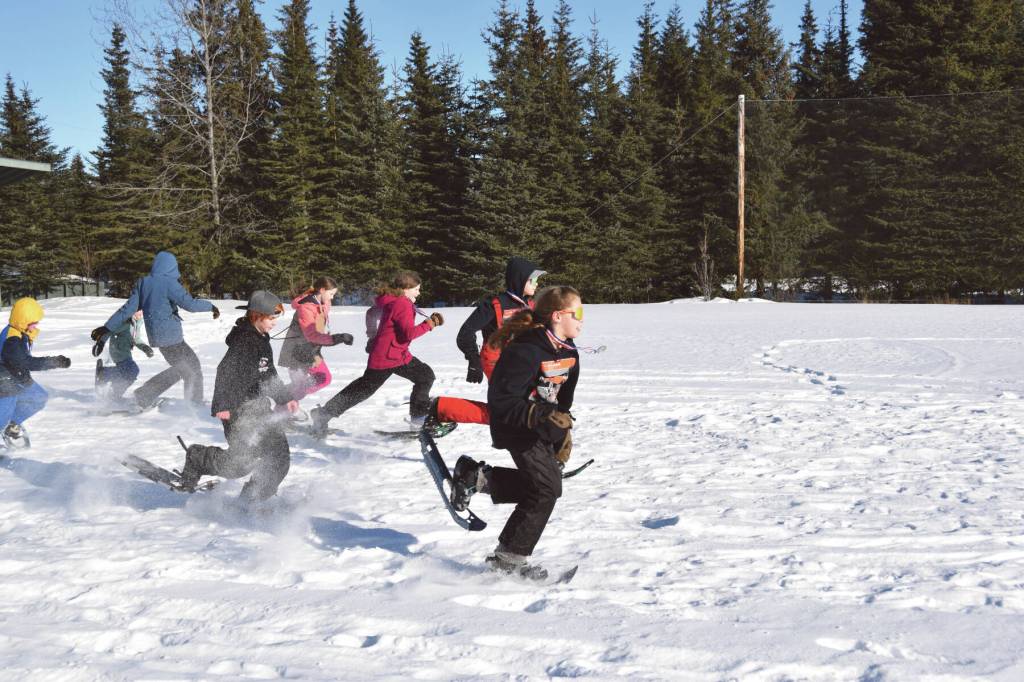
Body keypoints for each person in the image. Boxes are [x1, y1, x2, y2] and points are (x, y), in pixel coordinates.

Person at [450, 285, 583, 581]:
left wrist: (561, 433)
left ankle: (477, 477)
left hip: (539, 428)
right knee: (546, 489)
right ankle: (509, 559)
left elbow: (562, 403)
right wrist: (538, 414)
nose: (582, 320)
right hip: (515, 426)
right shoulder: (525, 350)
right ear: (558, 316)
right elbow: (502, 401)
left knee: (544, 487)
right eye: (579, 313)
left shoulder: (569, 353)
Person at [178, 291, 299, 505]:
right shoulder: (245, 342)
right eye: (271, 318)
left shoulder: (261, 340)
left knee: (279, 457)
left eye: (275, 318)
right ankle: (197, 458)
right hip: (239, 410)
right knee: (240, 463)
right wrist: (223, 405)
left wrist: (284, 398)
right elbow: (225, 371)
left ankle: (252, 499)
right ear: (256, 316)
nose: (274, 323)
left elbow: (268, 374)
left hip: (259, 408)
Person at [309, 271, 442, 438]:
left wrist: (373, 336)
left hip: (395, 353)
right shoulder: (402, 304)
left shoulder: (391, 300)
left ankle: (418, 418)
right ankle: (324, 414)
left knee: (424, 375)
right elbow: (408, 334)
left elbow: (371, 314)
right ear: (406, 289)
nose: (419, 293)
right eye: (416, 289)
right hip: (388, 357)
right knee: (363, 389)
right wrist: (429, 324)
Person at [91, 251, 218, 410]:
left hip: (158, 337)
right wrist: (211, 306)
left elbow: (127, 309)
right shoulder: (169, 283)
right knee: (191, 368)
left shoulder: (143, 283)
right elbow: (190, 305)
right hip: (172, 337)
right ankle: (189, 403)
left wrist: (106, 329)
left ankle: (148, 395)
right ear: (171, 267)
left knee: (183, 368)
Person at [429, 257, 546, 427]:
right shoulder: (494, 304)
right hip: (497, 362)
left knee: (524, 407)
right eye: (532, 279)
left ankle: (443, 407)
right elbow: (465, 333)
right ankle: (441, 409)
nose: (536, 284)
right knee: (509, 412)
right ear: (520, 280)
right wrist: (473, 360)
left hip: (520, 361)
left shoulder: (530, 305)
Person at [0, 297, 72, 447]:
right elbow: (26, 362)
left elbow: (22, 362)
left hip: (18, 378)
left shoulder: (20, 333)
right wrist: (54, 361)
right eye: (32, 323)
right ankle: (5, 424)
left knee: (39, 397)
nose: (35, 326)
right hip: (5, 384)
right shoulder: (12, 340)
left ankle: (10, 425)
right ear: (22, 320)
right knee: (2, 416)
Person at [277, 276, 353, 400]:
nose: (332, 297)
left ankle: (283, 399)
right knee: (306, 385)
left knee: (320, 379)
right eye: (331, 294)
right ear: (322, 290)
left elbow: (323, 310)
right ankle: (282, 411)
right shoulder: (306, 308)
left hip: (312, 350)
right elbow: (311, 335)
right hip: (298, 352)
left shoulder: (323, 303)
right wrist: (337, 338)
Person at [94, 310, 154, 401]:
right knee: (133, 370)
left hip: (125, 352)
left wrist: (145, 347)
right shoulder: (125, 321)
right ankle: (104, 373)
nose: (140, 314)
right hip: (118, 351)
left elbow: (136, 339)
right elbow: (110, 331)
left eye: (142, 311)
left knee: (127, 374)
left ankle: (115, 393)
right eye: (138, 311)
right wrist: (101, 342)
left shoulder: (137, 322)